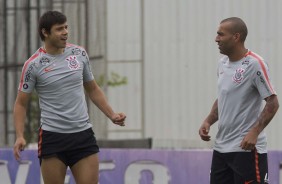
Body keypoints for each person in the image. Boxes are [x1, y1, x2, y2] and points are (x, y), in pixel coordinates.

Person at [13, 10, 126, 184]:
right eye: (59, 29)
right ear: (45, 32)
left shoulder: (79, 54)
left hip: (83, 135)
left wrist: (111, 115)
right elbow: (21, 103)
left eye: (66, 27)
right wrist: (20, 135)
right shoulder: (33, 65)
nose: (65, 32)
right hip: (52, 137)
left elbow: (93, 89)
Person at [199, 17, 279, 184]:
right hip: (221, 149)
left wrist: (254, 132)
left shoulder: (255, 64)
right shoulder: (222, 64)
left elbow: (273, 102)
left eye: (220, 34)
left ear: (236, 37)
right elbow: (224, 97)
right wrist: (208, 120)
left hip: (246, 149)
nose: (216, 39)